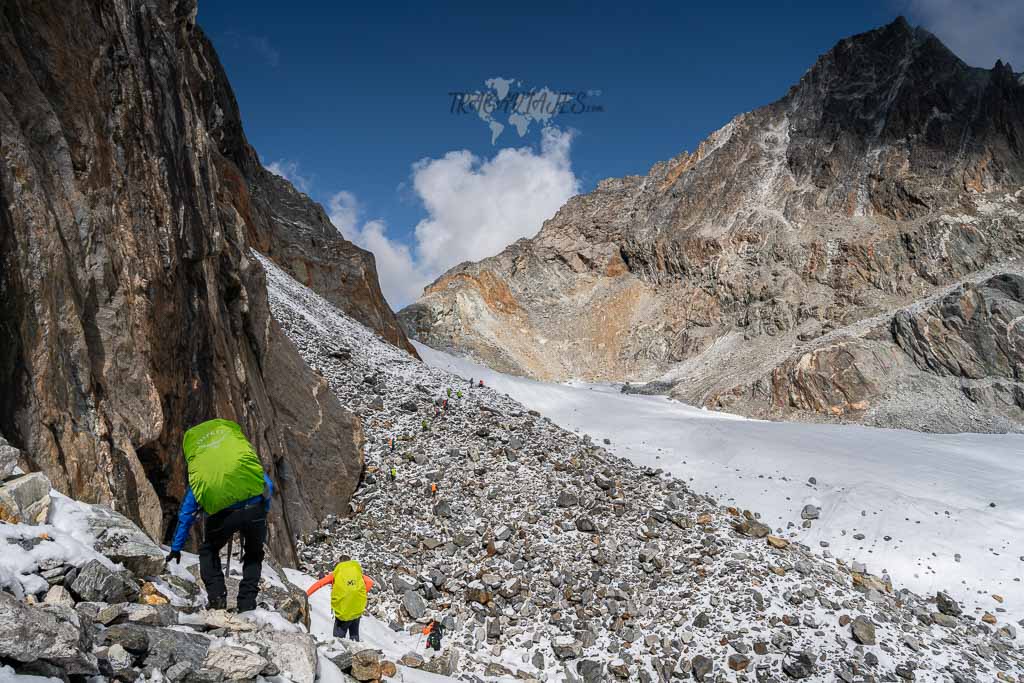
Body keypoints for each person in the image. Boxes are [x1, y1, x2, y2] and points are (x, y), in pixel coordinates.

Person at [166, 419, 273, 612]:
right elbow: (267, 485)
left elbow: (187, 513)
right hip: (254, 508)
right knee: (254, 554)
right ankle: (247, 603)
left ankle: (217, 598)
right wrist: (263, 510)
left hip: (223, 516)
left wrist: (176, 547)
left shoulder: (203, 472)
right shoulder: (240, 462)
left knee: (208, 551)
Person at [306, 556, 375, 641]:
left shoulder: (336, 573)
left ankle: (341, 650)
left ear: (340, 563)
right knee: (354, 633)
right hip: (357, 608)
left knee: (338, 637)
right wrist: (360, 593)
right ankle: (356, 649)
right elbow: (370, 582)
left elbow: (320, 583)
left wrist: (306, 594)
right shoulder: (357, 572)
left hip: (343, 610)